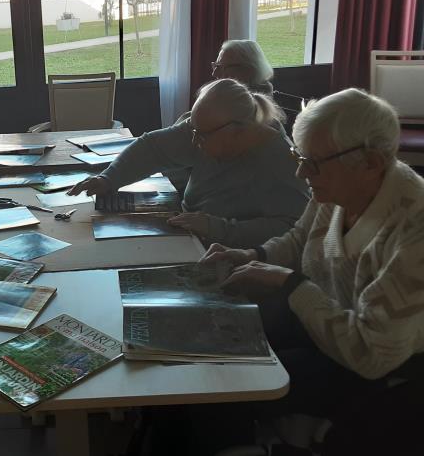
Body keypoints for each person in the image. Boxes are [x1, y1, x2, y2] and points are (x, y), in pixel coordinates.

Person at [200, 88, 424, 453]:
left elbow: (371, 356)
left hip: (374, 367)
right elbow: (300, 239)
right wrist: (251, 254)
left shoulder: (414, 232)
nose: (301, 171)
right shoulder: (341, 188)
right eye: (299, 156)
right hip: (320, 326)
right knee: (214, 343)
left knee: (229, 383)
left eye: (313, 163)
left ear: (371, 162)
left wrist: (291, 285)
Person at [68, 78, 310, 248]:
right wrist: (109, 178)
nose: (194, 140)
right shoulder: (207, 130)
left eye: (201, 135)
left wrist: (217, 228)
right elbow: (153, 147)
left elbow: (292, 229)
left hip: (234, 256)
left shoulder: (282, 162)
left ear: (238, 130)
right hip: (190, 233)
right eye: (192, 130)